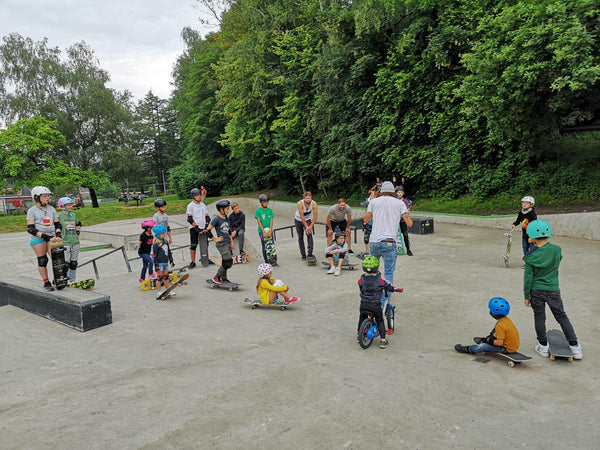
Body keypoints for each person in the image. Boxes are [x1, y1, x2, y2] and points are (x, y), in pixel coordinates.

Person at [523, 220, 582, 359]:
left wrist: (526, 295)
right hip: (553, 290)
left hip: (536, 291)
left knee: (539, 317)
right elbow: (558, 258)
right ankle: (575, 348)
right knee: (562, 316)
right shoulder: (557, 249)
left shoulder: (530, 257)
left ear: (531, 237)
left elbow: (528, 279)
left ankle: (543, 347)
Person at [363, 181, 412, 305]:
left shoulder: (373, 202)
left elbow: (366, 219)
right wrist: (406, 215)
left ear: (382, 191)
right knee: (388, 273)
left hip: (374, 242)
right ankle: (384, 301)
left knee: (372, 270)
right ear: (393, 192)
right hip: (390, 242)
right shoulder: (400, 203)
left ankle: (371, 296)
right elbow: (409, 223)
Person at [357, 255, 402, 349]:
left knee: (362, 317)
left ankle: (359, 335)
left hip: (364, 303)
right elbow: (388, 286)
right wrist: (395, 289)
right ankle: (382, 340)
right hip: (375, 304)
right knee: (380, 320)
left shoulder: (361, 279)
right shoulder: (380, 279)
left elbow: (360, 286)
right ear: (377, 267)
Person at [454, 297, 520, 355]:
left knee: (483, 346)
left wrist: (487, 341)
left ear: (493, 313)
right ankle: (486, 338)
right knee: (495, 328)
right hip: (514, 345)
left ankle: (467, 349)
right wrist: (487, 338)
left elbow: (499, 343)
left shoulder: (500, 326)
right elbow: (498, 333)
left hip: (507, 349)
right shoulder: (505, 320)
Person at [26, 186, 62, 291]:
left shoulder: (52, 209)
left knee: (57, 259)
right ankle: (46, 282)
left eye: (48, 196)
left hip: (52, 237)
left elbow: (57, 224)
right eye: (44, 196)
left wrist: (58, 235)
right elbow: (31, 229)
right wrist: (46, 237)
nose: (47, 198)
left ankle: (58, 278)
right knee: (42, 260)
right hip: (38, 238)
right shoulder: (32, 211)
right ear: (37, 197)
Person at [206, 199, 234, 283]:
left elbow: (229, 230)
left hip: (228, 242)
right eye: (227, 209)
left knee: (226, 261)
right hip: (222, 244)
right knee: (228, 262)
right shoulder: (216, 219)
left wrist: (232, 241)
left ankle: (223, 278)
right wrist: (215, 239)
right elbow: (207, 231)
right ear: (221, 209)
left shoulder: (226, 218)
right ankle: (217, 277)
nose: (228, 211)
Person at [57, 197, 82, 282]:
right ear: (62, 206)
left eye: (71, 204)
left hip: (75, 241)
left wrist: (77, 233)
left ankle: (72, 281)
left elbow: (78, 224)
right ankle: (65, 280)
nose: (71, 206)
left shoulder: (73, 215)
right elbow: (55, 226)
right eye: (68, 205)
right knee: (66, 264)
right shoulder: (59, 216)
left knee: (73, 263)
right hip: (65, 242)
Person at [186, 187, 211, 269]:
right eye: (197, 195)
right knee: (193, 244)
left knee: (205, 244)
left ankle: (205, 258)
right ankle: (193, 261)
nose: (199, 196)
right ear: (193, 196)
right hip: (194, 227)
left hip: (203, 227)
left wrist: (205, 227)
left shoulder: (203, 205)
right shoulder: (190, 206)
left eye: (199, 195)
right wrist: (197, 228)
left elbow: (207, 217)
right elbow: (190, 219)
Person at [152, 224, 175, 299]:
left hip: (165, 262)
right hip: (159, 263)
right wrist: (156, 265)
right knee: (160, 277)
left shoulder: (165, 241)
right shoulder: (156, 244)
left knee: (166, 277)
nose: (164, 234)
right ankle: (158, 292)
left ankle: (168, 290)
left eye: (164, 233)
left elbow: (169, 251)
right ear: (158, 235)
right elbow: (154, 255)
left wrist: (171, 260)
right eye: (163, 233)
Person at [294, 191, 318, 261]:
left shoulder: (314, 204)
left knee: (309, 235)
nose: (308, 199)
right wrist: (306, 227)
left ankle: (310, 253)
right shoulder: (299, 203)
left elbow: (315, 216)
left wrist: (310, 226)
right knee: (300, 236)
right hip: (298, 220)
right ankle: (303, 254)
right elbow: (302, 217)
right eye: (307, 198)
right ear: (304, 198)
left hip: (308, 219)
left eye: (310, 198)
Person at [255, 194, 275, 263]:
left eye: (267, 202)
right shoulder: (258, 211)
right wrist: (263, 232)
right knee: (264, 245)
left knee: (271, 245)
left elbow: (271, 221)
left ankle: (273, 259)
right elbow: (259, 222)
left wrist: (270, 231)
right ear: (261, 202)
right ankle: (266, 261)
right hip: (261, 231)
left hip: (269, 231)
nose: (267, 203)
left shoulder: (270, 210)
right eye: (265, 202)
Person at [396, 186, 413, 256]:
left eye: (401, 192)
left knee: (405, 235)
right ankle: (394, 249)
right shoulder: (395, 200)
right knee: (394, 235)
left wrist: (405, 216)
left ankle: (408, 249)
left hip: (403, 221)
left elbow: (407, 210)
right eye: (399, 192)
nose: (400, 194)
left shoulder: (405, 201)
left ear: (403, 193)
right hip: (396, 221)